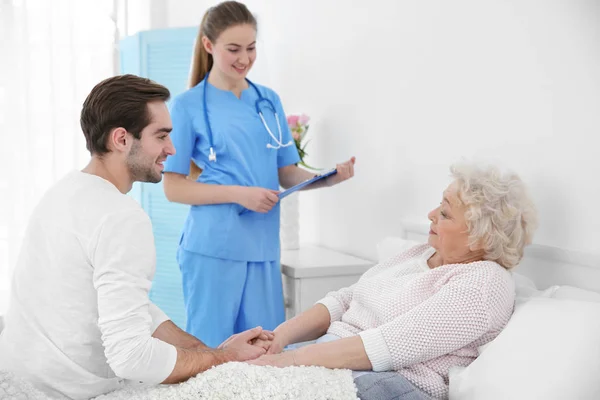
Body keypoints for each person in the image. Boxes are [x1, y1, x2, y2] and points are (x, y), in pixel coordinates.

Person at [0, 74, 274, 400]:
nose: (171, 149)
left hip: (17, 380)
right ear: (121, 139)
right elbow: (132, 358)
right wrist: (222, 359)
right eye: (161, 136)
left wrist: (206, 351)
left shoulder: (63, 193)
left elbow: (130, 307)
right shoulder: (121, 217)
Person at [249, 162, 538, 400]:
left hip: (391, 382)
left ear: (480, 237)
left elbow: (389, 345)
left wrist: (292, 360)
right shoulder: (419, 253)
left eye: (445, 213)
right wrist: (281, 338)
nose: (431, 215)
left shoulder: (485, 283)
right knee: (233, 376)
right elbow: (346, 299)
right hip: (335, 359)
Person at [162, 0, 356, 349]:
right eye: (233, 49)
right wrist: (240, 194)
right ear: (209, 46)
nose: (244, 58)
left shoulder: (268, 101)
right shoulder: (187, 105)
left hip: (263, 246)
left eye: (251, 48)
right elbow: (174, 189)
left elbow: (287, 173)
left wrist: (328, 177)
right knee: (212, 353)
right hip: (213, 247)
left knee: (266, 349)